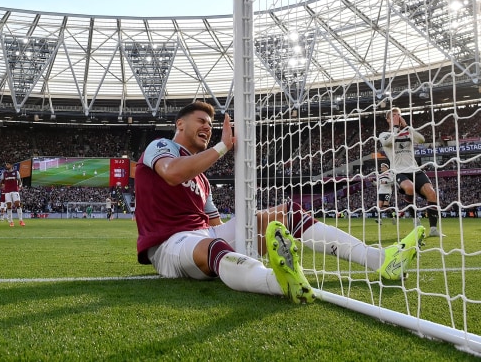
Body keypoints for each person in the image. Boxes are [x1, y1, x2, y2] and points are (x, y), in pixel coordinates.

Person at [135, 101, 426, 304]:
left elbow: (217, 227)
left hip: (204, 236)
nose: (208, 128)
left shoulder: (203, 181)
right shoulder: (161, 147)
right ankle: (277, 282)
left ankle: (382, 260)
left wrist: (251, 233)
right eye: (201, 122)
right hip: (169, 246)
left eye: (211, 125)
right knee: (213, 247)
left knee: (287, 213)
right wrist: (222, 146)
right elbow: (171, 174)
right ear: (180, 123)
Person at [378, 107, 443, 237]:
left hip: (415, 169)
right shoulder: (384, 135)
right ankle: (415, 219)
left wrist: (407, 126)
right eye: (394, 115)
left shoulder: (407, 132)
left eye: (399, 115)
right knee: (409, 187)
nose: (397, 117)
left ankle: (434, 229)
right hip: (399, 171)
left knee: (432, 193)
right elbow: (389, 141)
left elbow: (421, 140)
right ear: (388, 119)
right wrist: (395, 126)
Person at [0, 162, 24, 227]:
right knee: (9, 206)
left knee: (17, 204)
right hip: (7, 192)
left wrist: (20, 185)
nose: (6, 165)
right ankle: (11, 222)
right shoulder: (4, 173)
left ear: (11, 165)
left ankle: (21, 220)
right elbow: (0, 182)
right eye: (6, 164)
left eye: (8, 164)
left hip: (15, 190)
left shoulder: (16, 172)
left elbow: (19, 180)